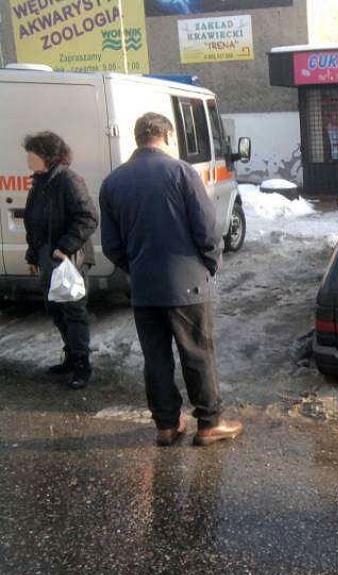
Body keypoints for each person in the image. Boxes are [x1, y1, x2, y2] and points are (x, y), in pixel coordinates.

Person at [99, 112, 243, 447]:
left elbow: (111, 245)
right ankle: (209, 422)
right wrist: (211, 263)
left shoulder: (113, 182)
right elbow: (207, 230)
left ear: (138, 138)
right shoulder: (182, 172)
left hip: (144, 286)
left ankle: (166, 425)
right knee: (197, 353)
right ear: (167, 136)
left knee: (156, 357)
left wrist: (136, 268)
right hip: (188, 284)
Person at [23, 131, 97, 390]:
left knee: (73, 312)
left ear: (47, 155)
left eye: (32, 154)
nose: (28, 159)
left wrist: (64, 248)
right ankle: (71, 357)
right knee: (55, 310)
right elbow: (33, 223)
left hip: (69, 260)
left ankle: (82, 365)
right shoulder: (40, 182)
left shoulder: (67, 180)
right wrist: (33, 255)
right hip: (47, 257)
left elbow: (88, 217)